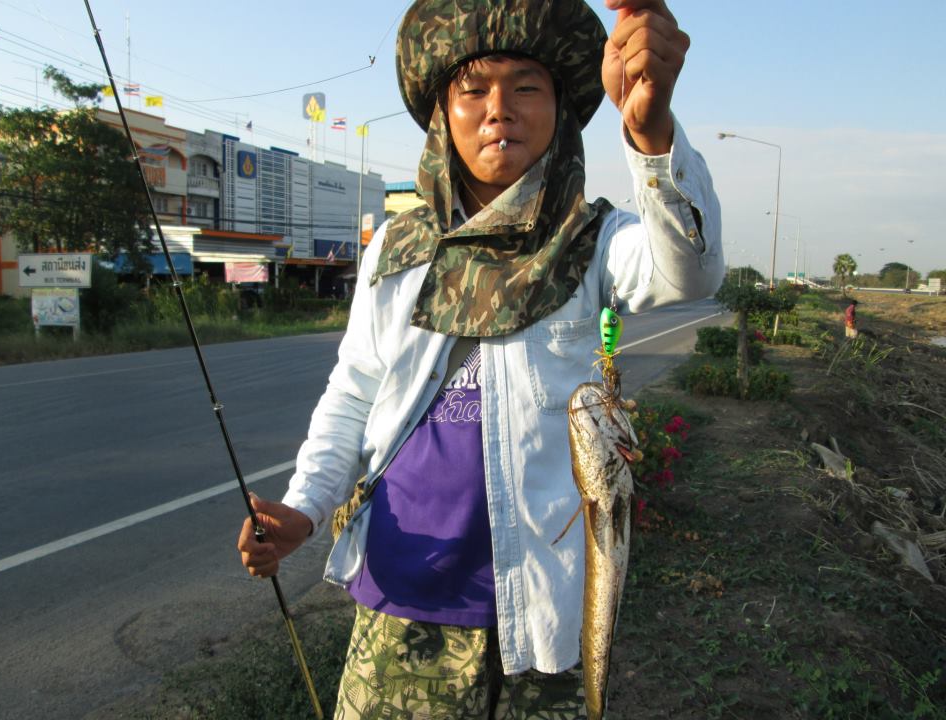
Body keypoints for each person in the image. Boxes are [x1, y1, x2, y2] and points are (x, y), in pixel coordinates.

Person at [238, 0, 723, 716]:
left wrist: (650, 134)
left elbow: (689, 272)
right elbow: (353, 392)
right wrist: (305, 508)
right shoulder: (395, 251)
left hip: (547, 615)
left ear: (561, 108)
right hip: (405, 600)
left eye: (527, 87)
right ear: (443, 114)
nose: (500, 110)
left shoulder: (597, 242)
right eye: (474, 90)